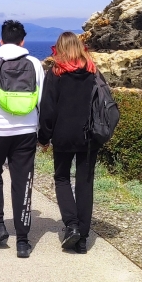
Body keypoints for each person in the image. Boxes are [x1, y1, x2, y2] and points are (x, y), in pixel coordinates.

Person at [0, 20, 45, 259]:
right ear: (23, 41)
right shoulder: (35, 63)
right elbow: (41, 99)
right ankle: (23, 241)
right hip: (26, 131)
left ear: (1, 40)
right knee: (22, 180)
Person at [38, 32, 98, 255]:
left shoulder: (55, 73)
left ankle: (71, 225)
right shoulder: (93, 71)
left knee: (62, 178)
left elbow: (48, 110)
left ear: (60, 48)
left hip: (63, 135)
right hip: (90, 136)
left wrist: (44, 137)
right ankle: (83, 238)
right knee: (85, 182)